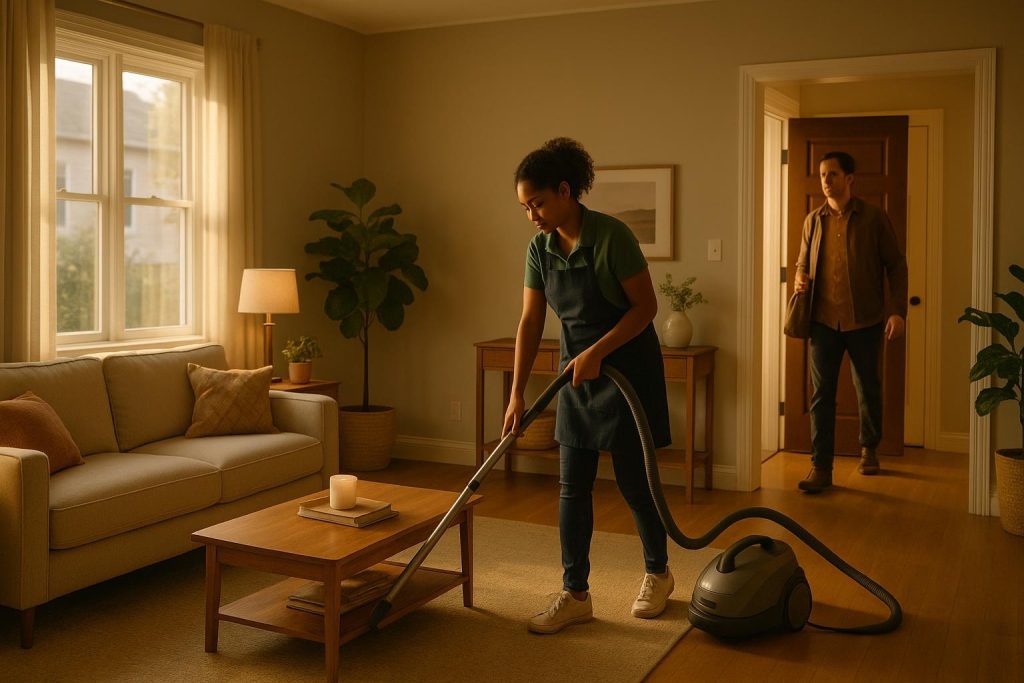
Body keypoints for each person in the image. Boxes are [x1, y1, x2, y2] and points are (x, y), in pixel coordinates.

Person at [504, 137, 674, 634]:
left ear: (564, 191)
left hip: (627, 371)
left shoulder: (612, 237)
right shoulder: (539, 249)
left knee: (634, 484)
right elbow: (531, 322)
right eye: (524, 207)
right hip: (575, 374)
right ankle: (575, 592)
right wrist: (516, 393)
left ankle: (658, 574)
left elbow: (646, 309)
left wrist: (599, 352)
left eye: (536, 203)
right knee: (572, 486)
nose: (531, 215)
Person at [794, 151, 908, 493]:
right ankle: (821, 468)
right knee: (821, 396)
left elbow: (897, 266)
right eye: (822, 175)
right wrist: (800, 277)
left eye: (832, 174)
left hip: (865, 321)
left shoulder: (874, 218)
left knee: (867, 388)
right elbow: (802, 263)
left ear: (849, 179)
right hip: (822, 322)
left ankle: (869, 448)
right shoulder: (813, 220)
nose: (825, 181)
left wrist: (898, 311)